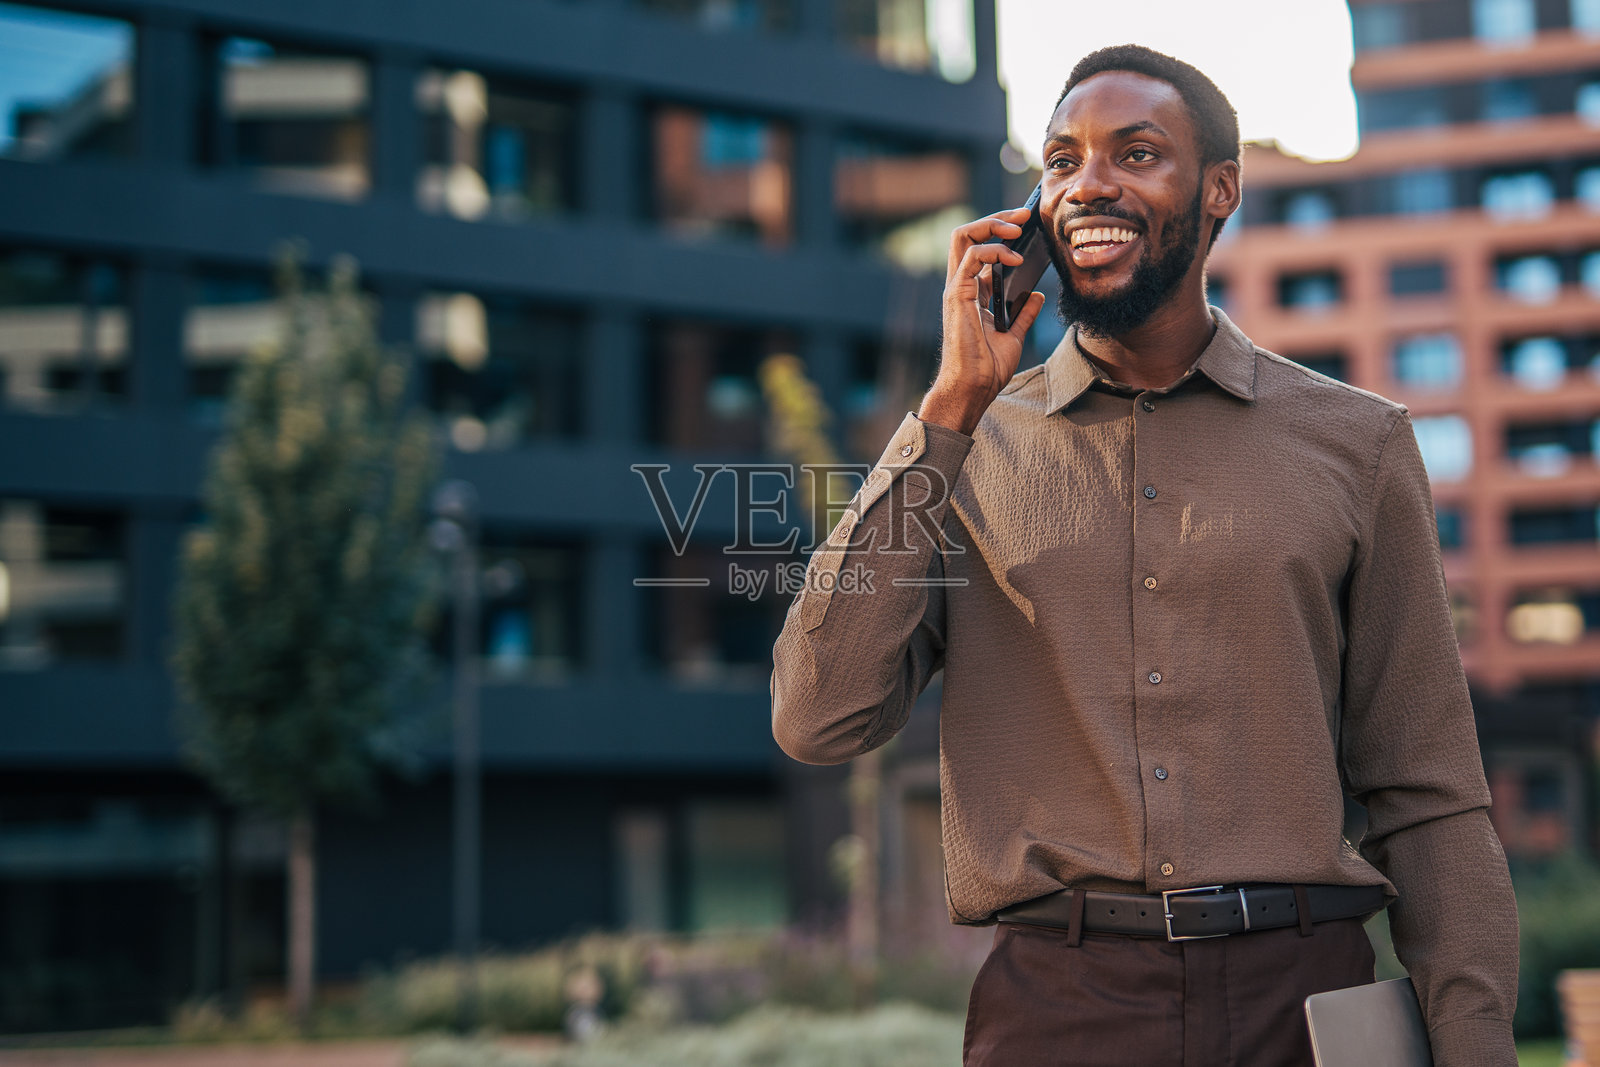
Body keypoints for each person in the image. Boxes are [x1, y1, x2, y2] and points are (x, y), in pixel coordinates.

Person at [769, 44, 1517, 1067]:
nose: (1088, 184)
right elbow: (817, 716)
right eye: (1061, 160)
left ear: (1219, 191)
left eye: (1136, 153)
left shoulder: (1359, 443)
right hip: (1059, 1011)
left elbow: (1430, 792)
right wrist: (947, 408)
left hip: (1301, 1003)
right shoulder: (963, 447)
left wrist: (1473, 1046)